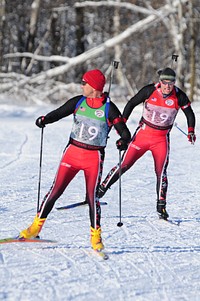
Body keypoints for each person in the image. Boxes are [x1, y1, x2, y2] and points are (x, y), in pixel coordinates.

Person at [19, 69, 131, 250]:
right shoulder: (79, 101)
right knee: (54, 192)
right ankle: (35, 228)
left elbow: (125, 133)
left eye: (84, 83)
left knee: (92, 198)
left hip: (93, 158)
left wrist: (122, 141)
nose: (82, 85)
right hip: (71, 153)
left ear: (94, 87)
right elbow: (58, 113)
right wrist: (44, 120)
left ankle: (96, 238)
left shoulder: (109, 108)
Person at [98, 67, 196, 220]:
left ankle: (161, 206)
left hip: (161, 139)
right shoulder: (149, 91)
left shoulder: (179, 96)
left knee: (161, 172)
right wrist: (122, 122)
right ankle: (101, 189)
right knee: (124, 164)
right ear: (160, 82)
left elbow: (190, 113)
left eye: (171, 83)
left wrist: (191, 130)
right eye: (165, 83)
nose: (167, 87)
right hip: (143, 135)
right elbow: (131, 103)